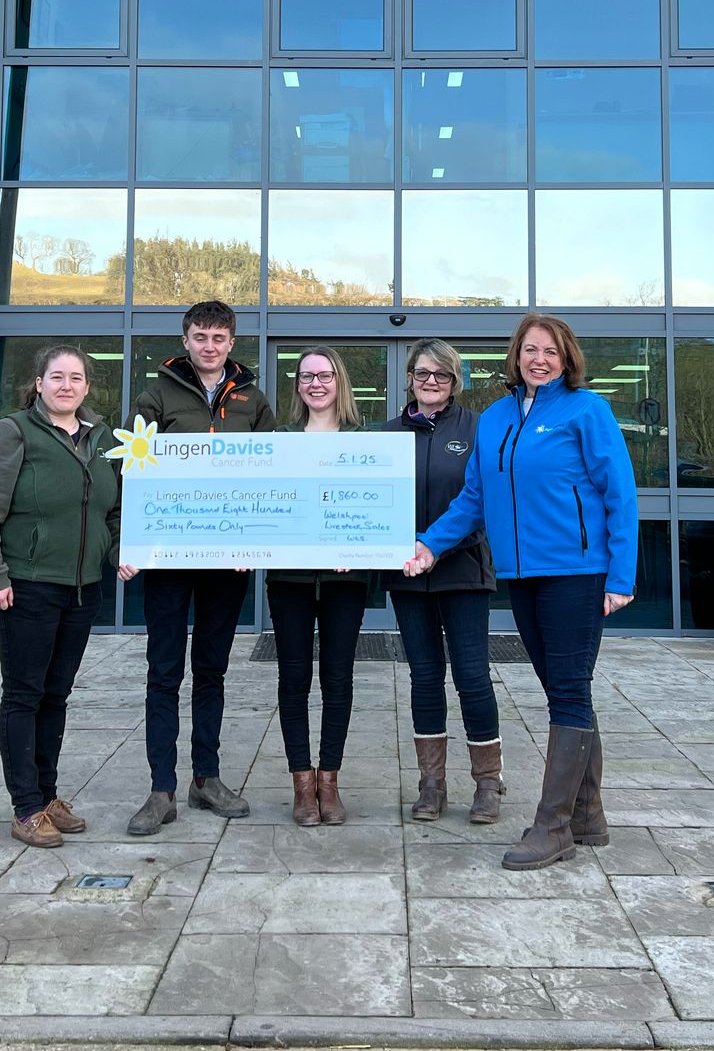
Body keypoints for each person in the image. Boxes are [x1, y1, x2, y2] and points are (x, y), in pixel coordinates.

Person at [405, 313, 636, 870]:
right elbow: (473, 498)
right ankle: (588, 814)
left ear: (567, 358)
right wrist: (430, 545)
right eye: (530, 349)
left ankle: (553, 825)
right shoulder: (497, 417)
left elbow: (619, 494)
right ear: (516, 356)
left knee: (568, 690)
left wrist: (621, 577)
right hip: (522, 575)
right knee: (565, 686)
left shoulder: (587, 410)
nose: (539, 359)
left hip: (578, 572)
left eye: (550, 352)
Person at [120, 299, 276, 837]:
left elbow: (268, 475)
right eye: (200, 337)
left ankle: (205, 779)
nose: (209, 346)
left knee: (212, 671)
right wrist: (131, 543)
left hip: (227, 563)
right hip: (168, 559)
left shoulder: (253, 400)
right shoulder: (154, 395)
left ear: (233, 342)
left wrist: (253, 545)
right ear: (184, 340)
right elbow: (133, 470)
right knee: (164, 672)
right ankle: (161, 789)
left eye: (218, 338)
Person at [0, 343, 120, 849]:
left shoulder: (100, 440)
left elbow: (110, 510)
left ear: (87, 388)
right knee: (24, 695)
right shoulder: (14, 432)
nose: (66, 386)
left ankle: (49, 795)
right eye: (57, 377)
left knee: (57, 695)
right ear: (38, 383)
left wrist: (117, 548)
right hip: (27, 587)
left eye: (76, 378)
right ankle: (26, 807)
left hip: (82, 590)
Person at [384, 339, 503, 824]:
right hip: (407, 575)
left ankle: (488, 783)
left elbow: (482, 504)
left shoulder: (478, 430)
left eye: (442, 375)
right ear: (409, 377)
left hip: (464, 572)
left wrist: (435, 547)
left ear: (455, 381)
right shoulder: (386, 435)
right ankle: (431, 784)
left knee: (472, 676)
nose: (430, 382)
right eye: (422, 373)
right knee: (425, 677)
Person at [266, 347, 370, 827]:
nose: (316, 383)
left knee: (338, 679)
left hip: (345, 581)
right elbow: (263, 502)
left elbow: (373, 506)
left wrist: (360, 544)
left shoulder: (362, 441)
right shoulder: (279, 439)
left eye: (324, 375)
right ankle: (302, 786)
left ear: (338, 382)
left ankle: (330, 781)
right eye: (306, 376)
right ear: (298, 385)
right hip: (288, 578)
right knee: (293, 679)